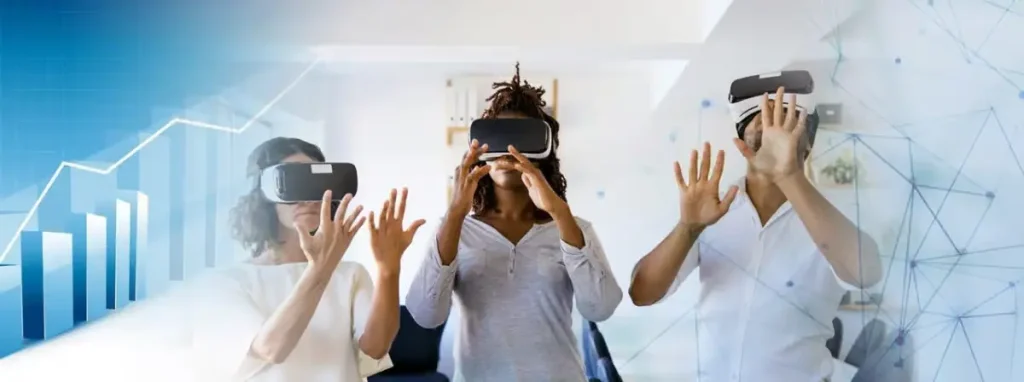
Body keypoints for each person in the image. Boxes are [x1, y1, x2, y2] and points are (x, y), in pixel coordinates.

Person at [629, 87, 884, 381]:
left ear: (808, 144)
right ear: (741, 140)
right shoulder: (710, 210)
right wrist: (688, 228)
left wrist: (788, 175)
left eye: (785, 119)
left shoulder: (830, 217)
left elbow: (867, 273)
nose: (771, 120)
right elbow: (642, 293)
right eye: (761, 116)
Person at [406, 65, 623, 381]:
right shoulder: (456, 231)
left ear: (540, 154)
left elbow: (600, 308)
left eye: (520, 142)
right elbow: (426, 315)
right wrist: (455, 212)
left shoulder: (574, 229)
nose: (507, 152)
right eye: (498, 140)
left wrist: (560, 213)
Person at [187, 137, 426, 381]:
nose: (310, 198)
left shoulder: (350, 274)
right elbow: (270, 348)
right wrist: (321, 268)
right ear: (263, 195)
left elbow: (374, 350)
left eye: (316, 185)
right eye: (295, 183)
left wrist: (389, 269)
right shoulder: (227, 282)